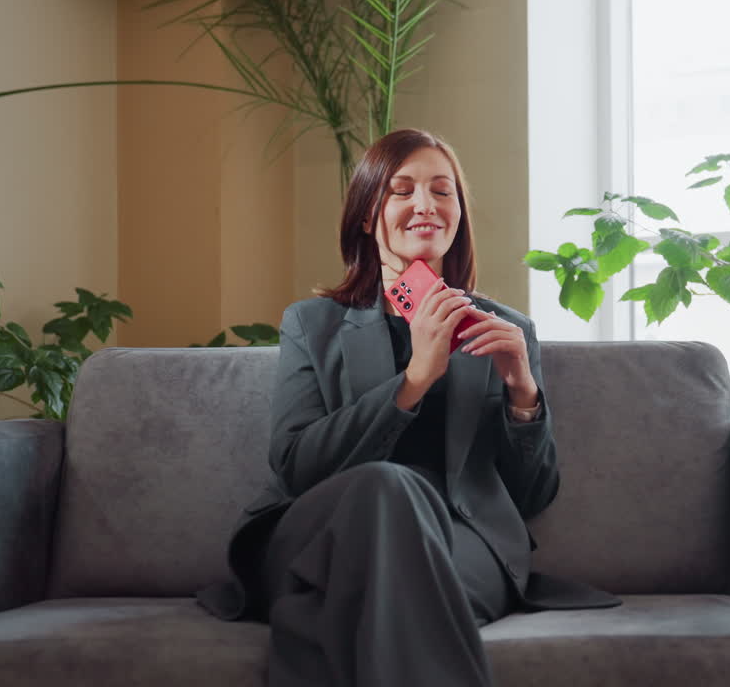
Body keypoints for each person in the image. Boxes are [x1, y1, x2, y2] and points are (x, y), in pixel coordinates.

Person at [197, 128, 619, 687]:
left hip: (458, 542)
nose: (426, 205)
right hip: (322, 532)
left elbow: (529, 496)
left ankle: (310, 610)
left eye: (443, 192)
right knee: (390, 488)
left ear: (458, 215)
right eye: (402, 191)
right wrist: (414, 380)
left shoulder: (506, 332)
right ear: (368, 216)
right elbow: (297, 465)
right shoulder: (313, 324)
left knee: (335, 603)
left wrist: (523, 396)